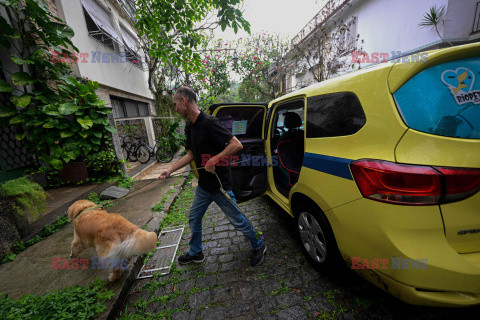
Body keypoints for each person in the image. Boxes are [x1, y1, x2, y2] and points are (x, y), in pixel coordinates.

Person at [158, 86, 266, 267]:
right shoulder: (190, 126)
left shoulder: (209, 122)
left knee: (237, 220)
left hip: (219, 184)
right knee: (194, 217)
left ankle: (259, 243)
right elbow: (191, 154)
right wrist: (170, 170)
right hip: (204, 186)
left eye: (176, 103)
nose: (175, 108)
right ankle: (196, 252)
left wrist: (215, 159)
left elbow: (236, 145)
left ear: (184, 101)